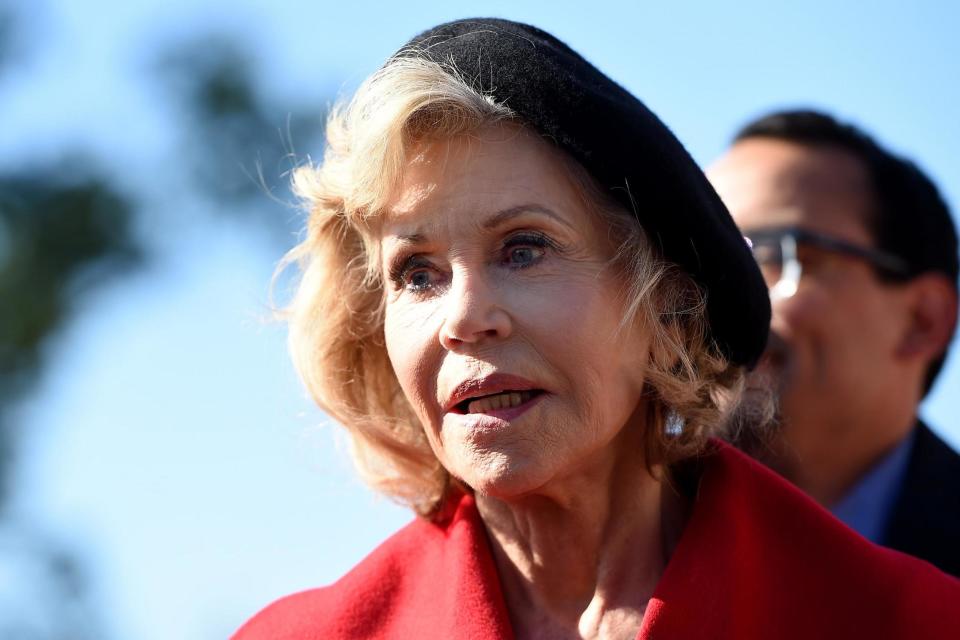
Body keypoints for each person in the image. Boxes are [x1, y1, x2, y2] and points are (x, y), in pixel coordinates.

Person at [234, 20, 960, 640]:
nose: (462, 318)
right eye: (417, 274)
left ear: (665, 305)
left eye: (524, 249)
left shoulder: (906, 618)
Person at [707, 110, 960, 576]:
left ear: (923, 320)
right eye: (699, 254)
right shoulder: (593, 547)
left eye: (769, 252)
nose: (713, 295)